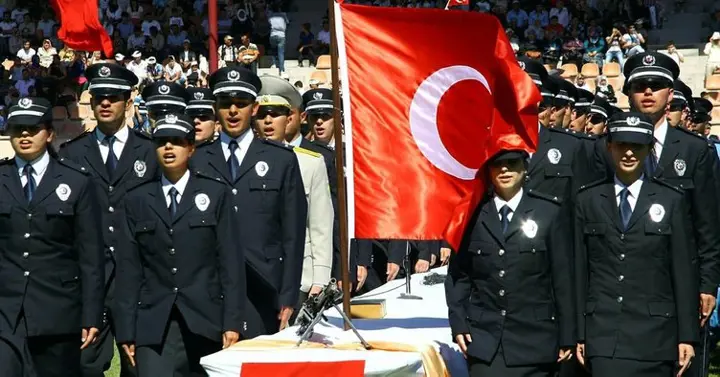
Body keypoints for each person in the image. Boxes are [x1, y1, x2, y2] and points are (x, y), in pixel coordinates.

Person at [115, 114, 244, 377]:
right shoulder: (136, 199)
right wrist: (126, 330)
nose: (169, 148)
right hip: (154, 322)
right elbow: (129, 270)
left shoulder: (215, 194)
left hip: (205, 319)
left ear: (191, 148)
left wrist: (232, 322)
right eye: (162, 142)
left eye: (176, 141)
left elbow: (230, 263)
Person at [575, 112, 697, 377]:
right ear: (609, 146)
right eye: (621, 145)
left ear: (649, 149)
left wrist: (687, 335)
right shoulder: (588, 200)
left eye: (637, 146)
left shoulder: (671, 200)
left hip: (656, 336)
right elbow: (579, 272)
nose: (629, 153)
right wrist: (579, 333)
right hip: (604, 333)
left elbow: (683, 273)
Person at [191, 67, 307, 338]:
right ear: (215, 108)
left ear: (254, 108)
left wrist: (288, 294)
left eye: (241, 104)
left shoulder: (281, 160)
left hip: (264, 285)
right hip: (209, 285)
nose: (233, 111)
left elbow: (293, 233)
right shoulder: (196, 160)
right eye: (225, 103)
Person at [59, 62, 158, 377]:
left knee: (139, 363)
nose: (105, 102)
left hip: (141, 277)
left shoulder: (151, 152)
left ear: (129, 102)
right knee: (85, 365)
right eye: (98, 95)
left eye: (113, 96)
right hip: (91, 279)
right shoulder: (71, 155)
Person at [446, 144, 574, 377]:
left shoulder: (549, 212)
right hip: (486, 341)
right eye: (497, 164)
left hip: (536, 341)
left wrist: (568, 335)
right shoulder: (472, 214)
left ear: (525, 168)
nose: (504, 169)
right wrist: (458, 323)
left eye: (512, 163)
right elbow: (459, 275)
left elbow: (562, 278)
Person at [0, 97, 104, 376]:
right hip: (6, 312)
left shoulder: (76, 181)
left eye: (32, 128)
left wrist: (92, 314)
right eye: (17, 128)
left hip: (58, 311)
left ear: (49, 133)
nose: (24, 135)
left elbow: (91, 255)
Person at [253, 89, 334, 313]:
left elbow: (320, 225)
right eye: (262, 115)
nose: (268, 121)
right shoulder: (241, 165)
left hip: (301, 276)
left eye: (276, 114)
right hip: (254, 275)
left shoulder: (311, 163)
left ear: (289, 119)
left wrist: (320, 277)